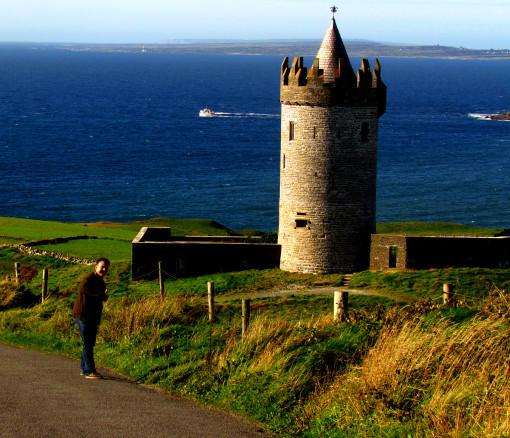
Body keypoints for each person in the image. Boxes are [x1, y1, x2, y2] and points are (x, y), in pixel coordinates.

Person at [72, 257, 110, 379]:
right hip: (83, 315)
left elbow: (99, 298)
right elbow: (88, 292)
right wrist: (101, 295)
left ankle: (84, 369)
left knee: (89, 343)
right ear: (96, 267)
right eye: (102, 266)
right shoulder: (88, 279)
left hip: (92, 316)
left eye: (106, 267)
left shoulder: (100, 282)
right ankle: (89, 371)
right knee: (88, 343)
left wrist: (103, 297)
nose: (103, 269)